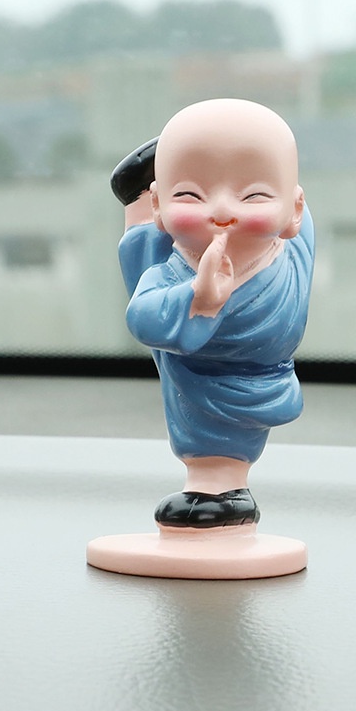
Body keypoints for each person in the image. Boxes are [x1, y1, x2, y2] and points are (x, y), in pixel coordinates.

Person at [115, 99, 314, 529]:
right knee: (143, 249)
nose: (222, 212)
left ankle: (218, 487)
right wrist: (195, 297)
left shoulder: (289, 256)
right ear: (160, 206)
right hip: (197, 362)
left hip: (236, 384)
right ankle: (140, 197)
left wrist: (207, 305)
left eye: (253, 195)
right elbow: (142, 316)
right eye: (191, 194)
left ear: (294, 211)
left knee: (214, 441)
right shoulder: (172, 273)